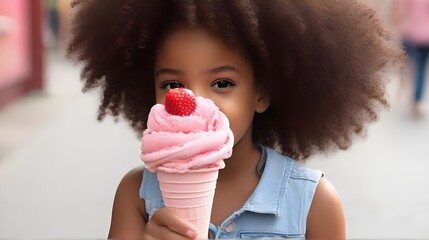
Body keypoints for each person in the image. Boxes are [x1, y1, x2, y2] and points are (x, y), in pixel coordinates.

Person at [68, 0, 402, 239]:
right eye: (173, 84)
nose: (195, 103)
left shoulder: (314, 203)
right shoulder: (136, 196)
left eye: (222, 83)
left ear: (260, 94)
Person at [391, 0, 429, 117]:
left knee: (412, 68)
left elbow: (398, 14)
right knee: (421, 68)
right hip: (426, 37)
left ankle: (412, 97)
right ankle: (416, 100)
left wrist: (401, 28)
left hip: (411, 36)